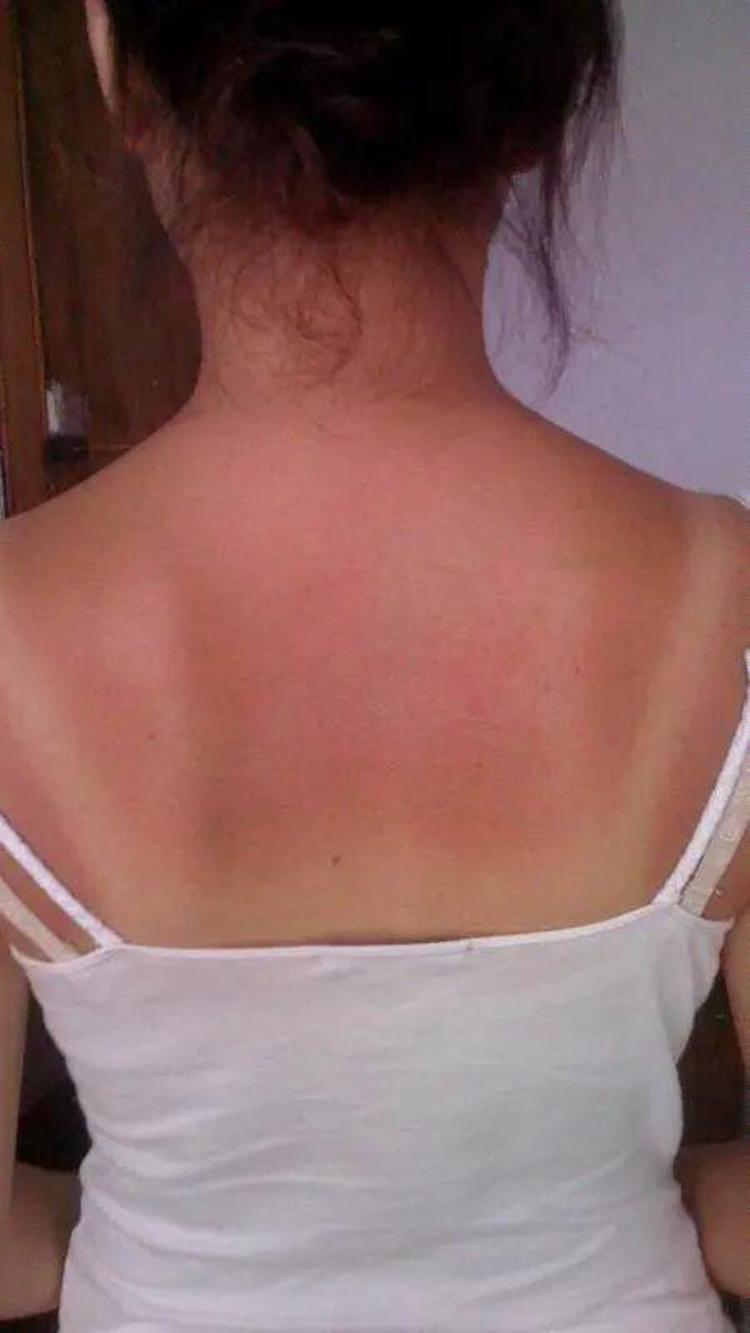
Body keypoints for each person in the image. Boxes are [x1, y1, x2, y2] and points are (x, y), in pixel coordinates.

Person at [0, 3, 747, 1329]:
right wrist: (626, 1205)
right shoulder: (727, 592)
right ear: (538, 106)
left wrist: (153, 1234)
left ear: (117, 66)